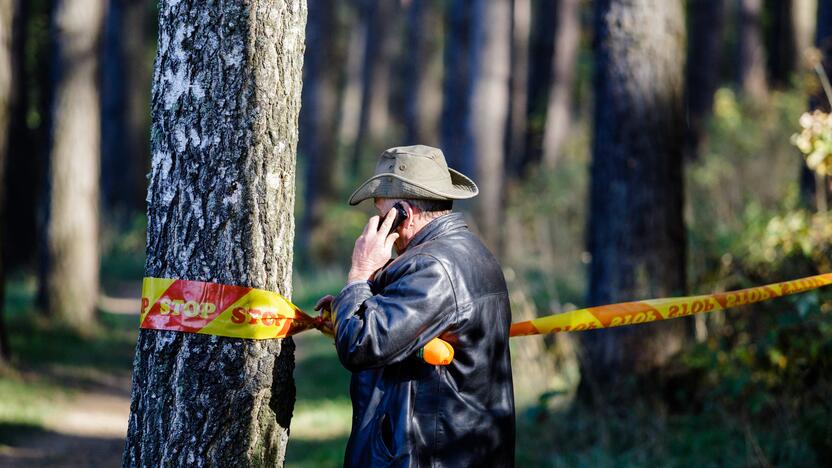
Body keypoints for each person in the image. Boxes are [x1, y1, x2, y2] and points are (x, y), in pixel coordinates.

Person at [315, 145, 515, 467]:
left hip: (426, 457)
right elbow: (402, 324)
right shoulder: (463, 252)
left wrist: (360, 272)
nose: (376, 224)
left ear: (403, 213)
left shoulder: (432, 266)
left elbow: (360, 345)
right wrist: (350, 305)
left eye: (381, 214)